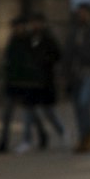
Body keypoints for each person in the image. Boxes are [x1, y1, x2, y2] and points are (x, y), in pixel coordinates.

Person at [22, 14, 66, 150]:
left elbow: (57, 55)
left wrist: (45, 61)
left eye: (37, 23)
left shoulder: (49, 38)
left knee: (48, 111)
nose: (34, 26)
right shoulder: (28, 38)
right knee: (29, 110)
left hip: (45, 80)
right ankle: (27, 139)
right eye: (32, 23)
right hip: (31, 80)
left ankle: (62, 132)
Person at [66, 2, 90, 153]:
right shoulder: (75, 31)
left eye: (84, 12)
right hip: (75, 72)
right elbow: (68, 52)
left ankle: (88, 137)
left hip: (89, 72)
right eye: (79, 12)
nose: (81, 15)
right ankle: (83, 137)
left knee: (84, 104)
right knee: (77, 106)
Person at [0, 17, 35, 153]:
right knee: (7, 114)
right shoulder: (12, 41)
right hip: (12, 83)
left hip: (27, 83)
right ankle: (4, 141)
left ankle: (30, 139)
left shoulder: (30, 40)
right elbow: (8, 58)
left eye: (18, 27)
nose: (16, 30)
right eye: (14, 27)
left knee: (29, 113)